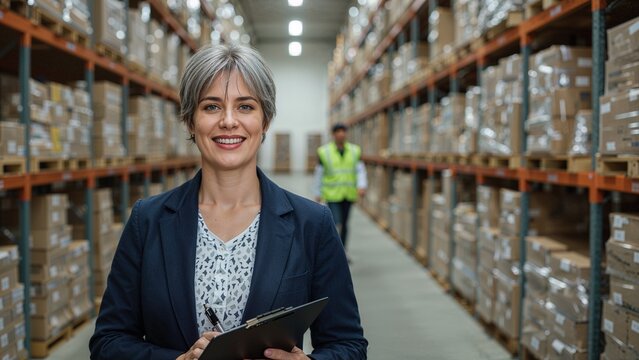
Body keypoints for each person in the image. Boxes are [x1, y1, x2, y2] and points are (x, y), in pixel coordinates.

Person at [89, 44, 367, 360]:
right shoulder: (148, 220)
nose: (229, 121)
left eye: (245, 106)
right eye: (211, 107)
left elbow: (349, 346)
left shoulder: (311, 223)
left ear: (265, 121)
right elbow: (108, 343)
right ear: (190, 121)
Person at [314, 124, 367, 248]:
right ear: (333, 135)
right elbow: (319, 174)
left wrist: (362, 185)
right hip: (332, 194)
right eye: (338, 131)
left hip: (348, 193)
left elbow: (360, 170)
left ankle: (343, 251)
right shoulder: (324, 151)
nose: (341, 134)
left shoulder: (355, 150)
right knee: (336, 223)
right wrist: (317, 192)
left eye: (343, 131)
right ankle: (334, 249)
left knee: (345, 224)